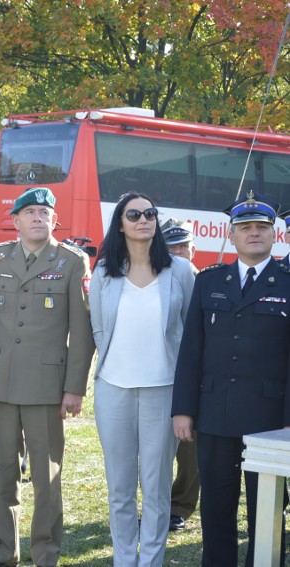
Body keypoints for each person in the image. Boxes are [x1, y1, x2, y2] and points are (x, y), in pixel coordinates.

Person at [0, 187, 94, 567]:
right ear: (17, 220)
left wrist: (74, 387)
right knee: (3, 473)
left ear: (54, 219)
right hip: (1, 383)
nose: (38, 217)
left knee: (46, 478)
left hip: (47, 386)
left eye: (45, 211)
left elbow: (83, 332)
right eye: (30, 212)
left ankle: (46, 554)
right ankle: (2, 552)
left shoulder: (72, 261)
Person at [172, 191, 290, 567]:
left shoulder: (287, 281)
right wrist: (184, 410)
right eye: (245, 228)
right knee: (217, 507)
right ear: (231, 235)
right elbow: (191, 351)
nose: (253, 233)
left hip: (270, 419)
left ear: (275, 235)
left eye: (261, 228)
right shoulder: (209, 281)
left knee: (266, 511)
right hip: (215, 415)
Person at [90, 193, 195, 566]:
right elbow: (99, 331)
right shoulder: (103, 273)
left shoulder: (181, 272)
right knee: (119, 490)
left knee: (156, 489)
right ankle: (123, 559)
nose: (143, 219)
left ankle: (150, 560)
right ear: (120, 223)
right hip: (113, 391)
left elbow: (191, 334)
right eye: (133, 214)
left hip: (163, 393)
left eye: (150, 213)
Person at [159, 217, 199, 533]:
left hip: (195, 379)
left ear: (193, 249)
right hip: (161, 376)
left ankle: (180, 507)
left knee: (189, 452)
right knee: (158, 450)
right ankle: (158, 505)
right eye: (173, 247)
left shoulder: (208, 281)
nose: (179, 252)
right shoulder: (154, 281)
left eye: (184, 246)